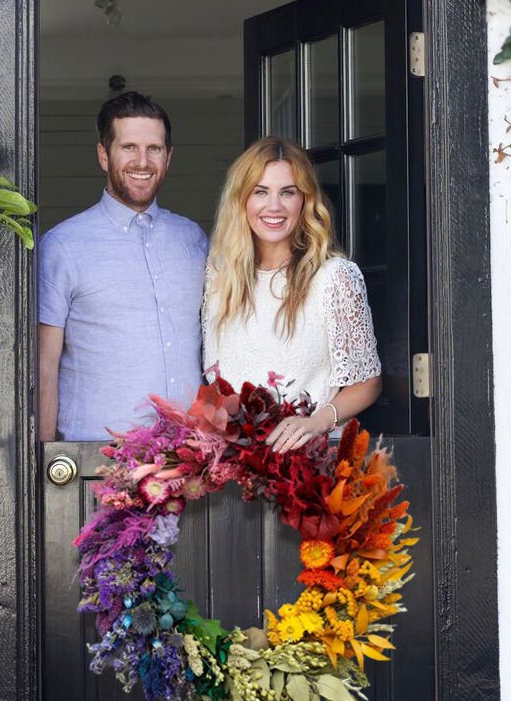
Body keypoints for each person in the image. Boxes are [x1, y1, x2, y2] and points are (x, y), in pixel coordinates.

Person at [38, 92, 208, 441]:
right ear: (104, 155)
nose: (142, 161)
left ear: (169, 156)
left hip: (191, 456)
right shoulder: (63, 246)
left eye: (154, 149)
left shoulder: (193, 240)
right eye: (129, 147)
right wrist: (42, 459)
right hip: (96, 458)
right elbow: (44, 366)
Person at [203, 136, 381, 454]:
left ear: (305, 201)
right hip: (233, 464)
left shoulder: (334, 277)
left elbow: (367, 383)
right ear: (241, 200)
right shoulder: (220, 275)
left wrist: (317, 422)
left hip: (309, 462)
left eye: (288, 192)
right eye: (260, 191)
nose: (274, 206)